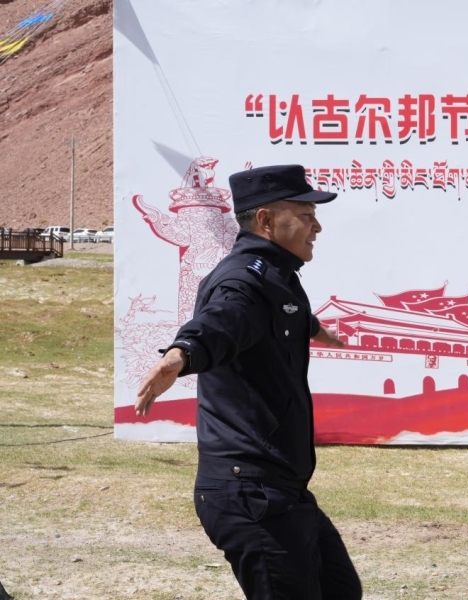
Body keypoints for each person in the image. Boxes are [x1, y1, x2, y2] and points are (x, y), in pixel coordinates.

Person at [135, 164, 363, 600]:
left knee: (340, 589)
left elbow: (282, 315)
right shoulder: (244, 281)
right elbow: (221, 324)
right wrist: (182, 353)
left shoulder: (277, 276)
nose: (317, 226)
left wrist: (318, 331)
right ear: (265, 220)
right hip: (250, 494)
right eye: (306, 215)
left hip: (281, 488)